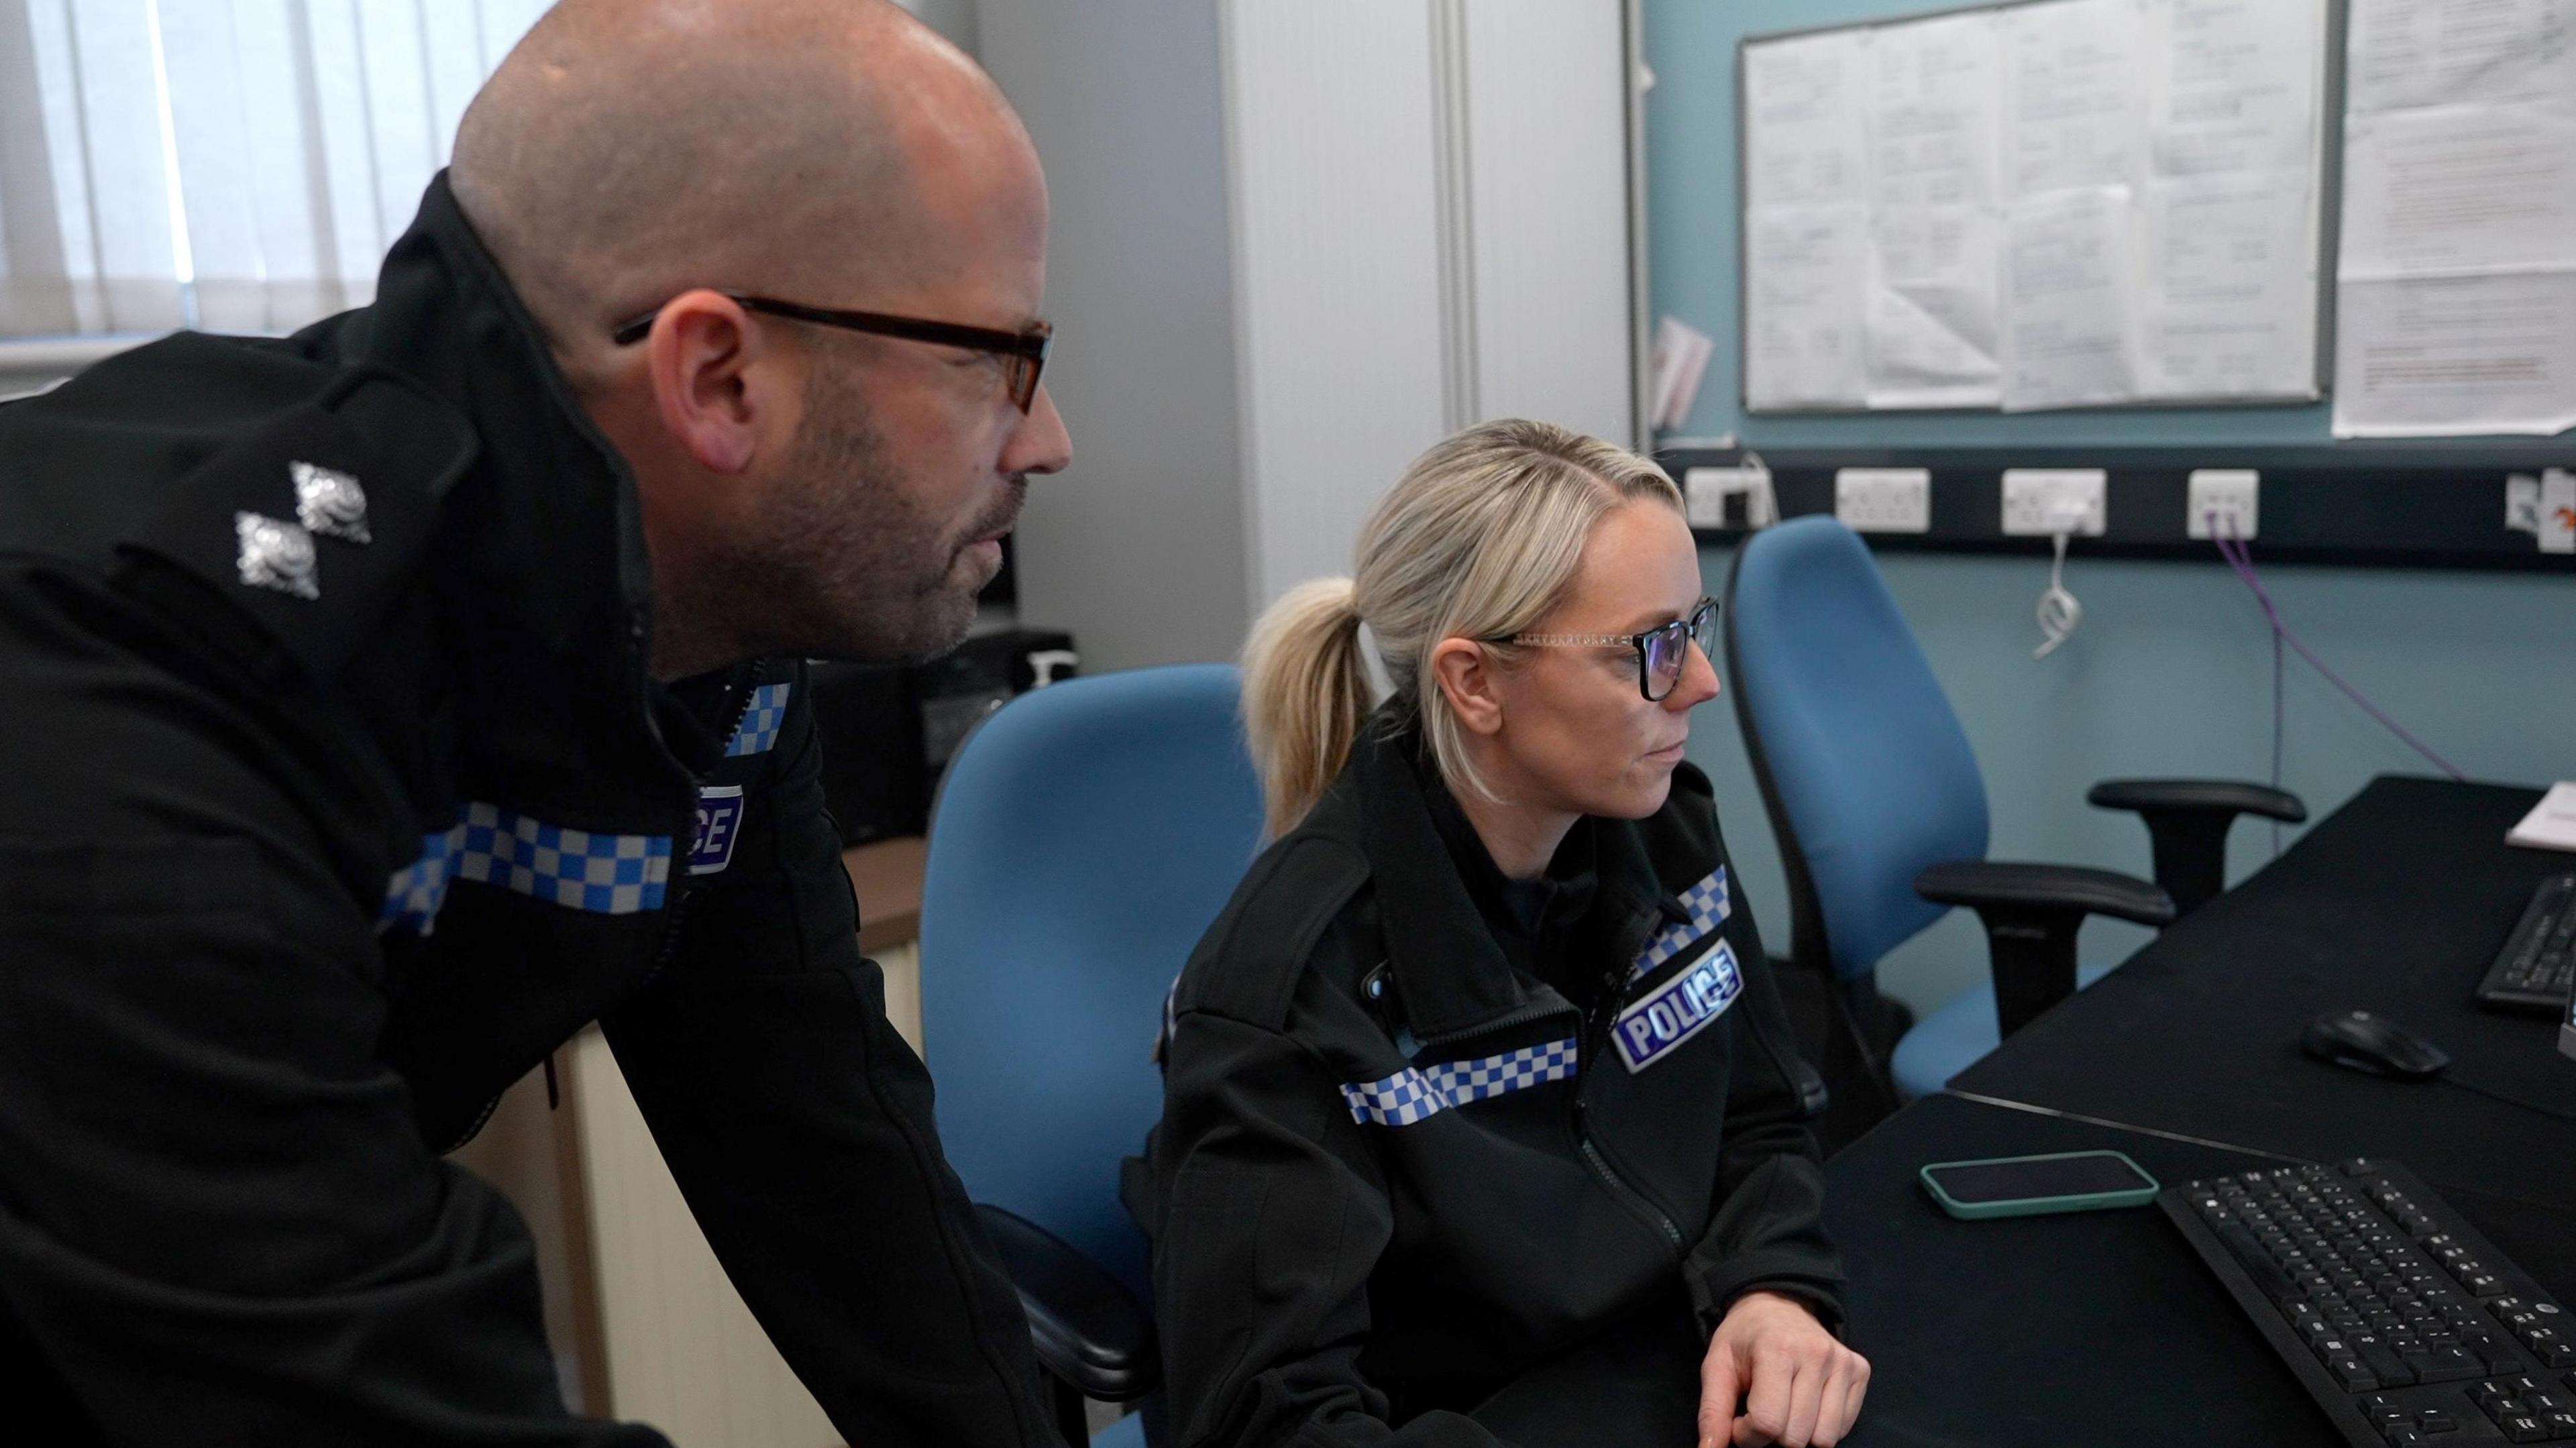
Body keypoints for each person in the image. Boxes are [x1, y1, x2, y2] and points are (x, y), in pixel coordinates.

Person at [0, 1, 1070, 1443]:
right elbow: (348, 1377)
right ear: (720, 378)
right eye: (993, 362)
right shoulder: (155, 690)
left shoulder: (704, 634)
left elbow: (824, 1150)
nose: (1048, 439)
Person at [1132, 421, 1870, 1448]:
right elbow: (1269, 1418)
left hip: (1661, 1373)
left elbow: (1759, 1118)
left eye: (1691, 627)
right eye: (1650, 650)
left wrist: (1774, 1287)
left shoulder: (1666, 832)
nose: (1700, 681)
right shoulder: (1290, 995)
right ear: (1474, 682)